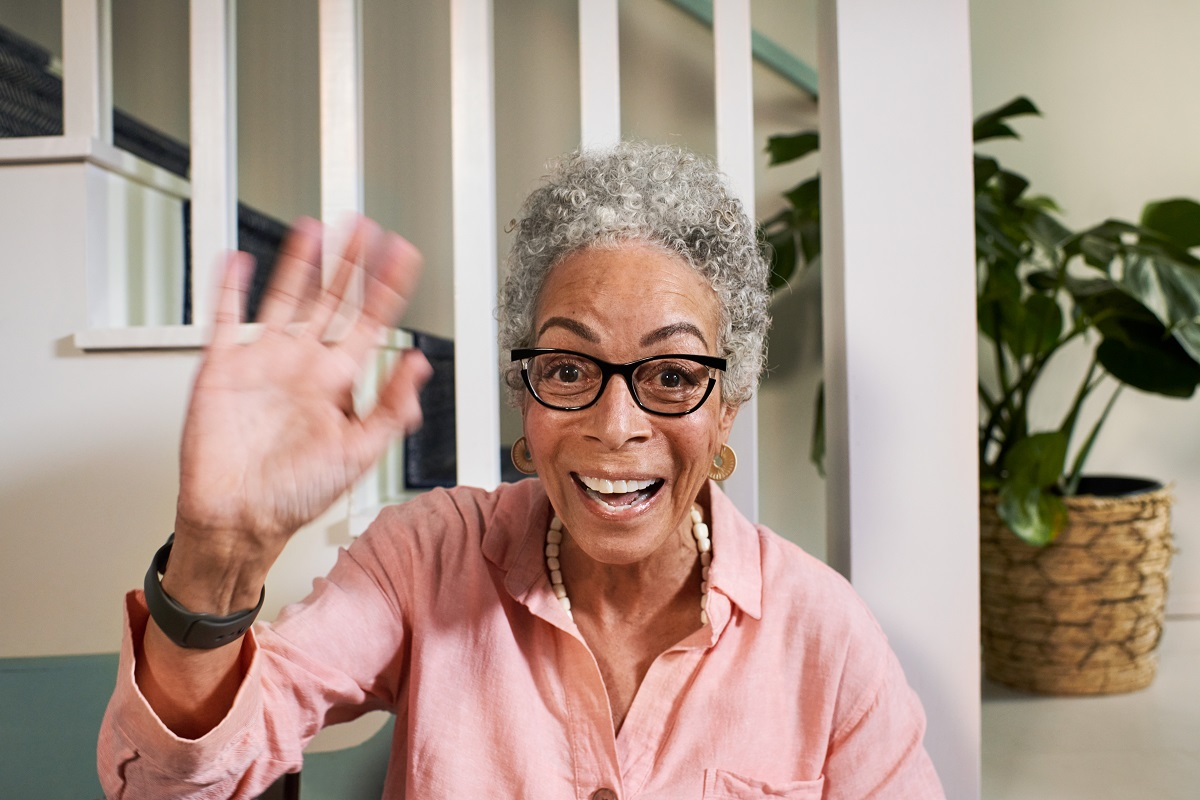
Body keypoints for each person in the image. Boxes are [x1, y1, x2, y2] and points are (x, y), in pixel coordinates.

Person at [98, 142, 944, 798]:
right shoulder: (423, 558)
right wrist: (217, 553)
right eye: (570, 370)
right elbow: (183, 784)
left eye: (674, 376)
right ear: (523, 395)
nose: (617, 427)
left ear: (729, 404)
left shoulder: (827, 637)